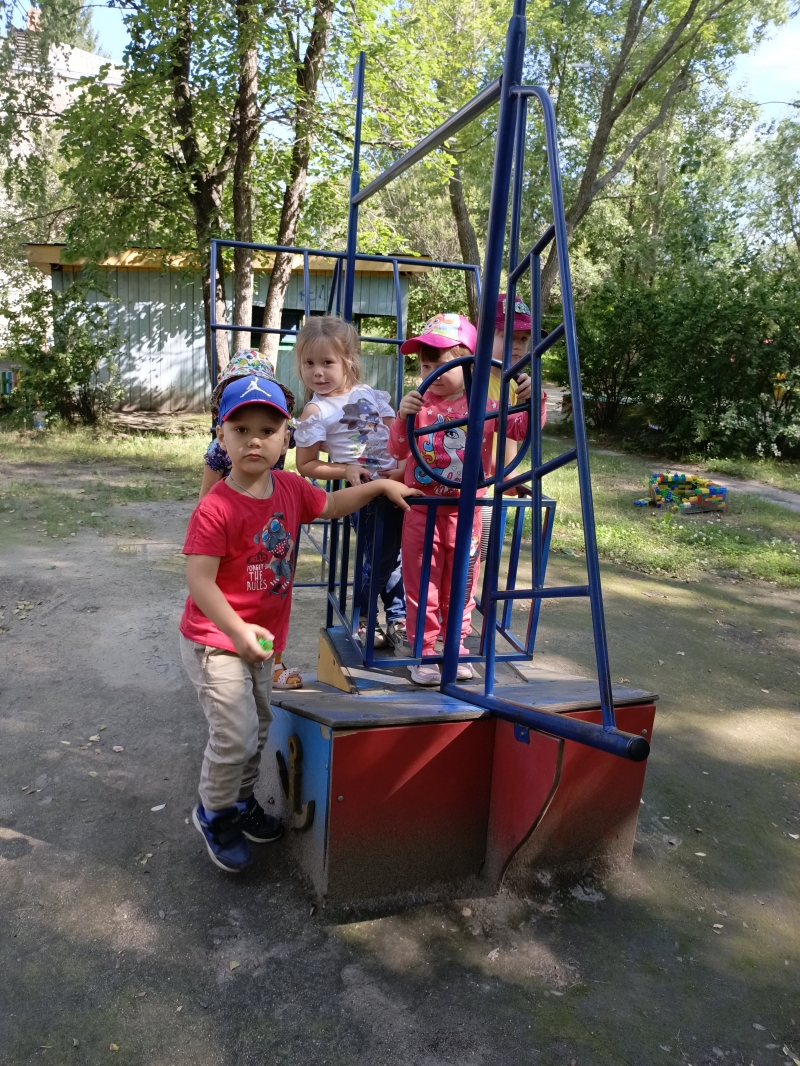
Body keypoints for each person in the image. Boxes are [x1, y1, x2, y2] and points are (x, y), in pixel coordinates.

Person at [180, 374, 419, 872]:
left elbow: (330, 505)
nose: (254, 440)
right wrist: (237, 631)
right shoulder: (215, 507)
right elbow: (200, 582)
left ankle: (241, 801)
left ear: (286, 438)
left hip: (260, 641)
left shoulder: (289, 488)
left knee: (258, 728)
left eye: (267, 430)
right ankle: (214, 813)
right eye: (241, 429)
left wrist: (378, 484)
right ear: (221, 437)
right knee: (235, 734)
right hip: (215, 640)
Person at [388, 313, 533, 686]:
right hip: (422, 510)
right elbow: (398, 450)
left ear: (468, 363)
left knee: (462, 585)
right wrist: (401, 418)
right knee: (422, 586)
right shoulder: (419, 405)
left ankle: (456, 647)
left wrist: (532, 400)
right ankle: (425, 652)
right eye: (425, 366)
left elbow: (520, 428)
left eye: (440, 364)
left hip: (466, 513)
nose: (431, 373)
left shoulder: (484, 403)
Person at [293, 316, 408, 651]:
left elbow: (397, 434)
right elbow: (306, 464)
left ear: (348, 361)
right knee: (382, 555)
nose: (317, 372)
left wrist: (403, 467)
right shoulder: (316, 410)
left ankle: (396, 616)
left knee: (399, 556)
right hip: (365, 493)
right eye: (309, 363)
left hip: (397, 483)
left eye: (327, 363)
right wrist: (345, 470)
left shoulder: (369, 394)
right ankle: (365, 615)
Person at [200, 349, 302, 691]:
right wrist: (210, 531)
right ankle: (229, 659)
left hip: (273, 528)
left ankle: (273, 659)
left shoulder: (279, 438)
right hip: (236, 530)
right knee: (239, 593)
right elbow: (207, 494)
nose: (255, 437)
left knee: (274, 593)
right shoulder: (219, 449)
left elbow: (279, 479)